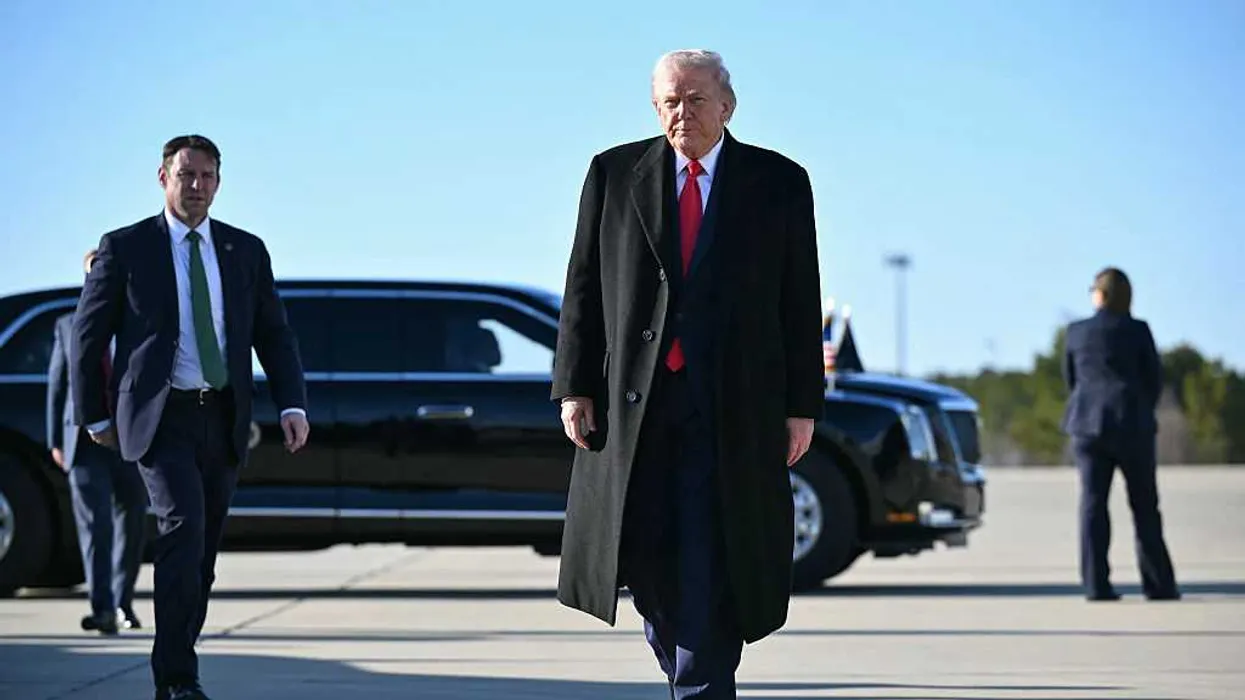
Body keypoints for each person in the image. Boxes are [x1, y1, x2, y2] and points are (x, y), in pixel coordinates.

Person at [552, 49, 824, 699]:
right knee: (649, 560)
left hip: (732, 408)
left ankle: (702, 687)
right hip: (636, 410)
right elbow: (583, 286)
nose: (683, 113)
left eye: (696, 99)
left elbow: (799, 299)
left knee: (710, 556)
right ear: (655, 108)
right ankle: (688, 671)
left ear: (727, 106)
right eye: (670, 101)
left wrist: (801, 405)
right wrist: (574, 386)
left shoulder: (778, 181)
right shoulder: (613, 174)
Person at [71, 134, 310, 700]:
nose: (196, 186)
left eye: (206, 176)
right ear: (164, 179)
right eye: (186, 175)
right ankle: (178, 678)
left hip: (223, 417)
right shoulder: (126, 248)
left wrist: (292, 402)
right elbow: (87, 337)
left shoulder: (245, 250)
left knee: (201, 555)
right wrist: (93, 416)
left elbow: (273, 333)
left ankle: (178, 661)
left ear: (219, 183)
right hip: (161, 418)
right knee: (183, 530)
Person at [1061, 267, 1180, 602]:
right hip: (1132, 423)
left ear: (1099, 295)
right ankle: (1158, 584)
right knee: (1144, 506)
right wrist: (1139, 408)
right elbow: (1153, 378)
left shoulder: (1076, 331)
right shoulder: (1138, 330)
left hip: (1088, 424)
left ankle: (1096, 584)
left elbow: (1071, 379)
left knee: (1092, 504)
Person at [47, 248, 148, 636]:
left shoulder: (136, 320)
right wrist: (56, 440)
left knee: (132, 522)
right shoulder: (67, 324)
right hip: (83, 441)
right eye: (93, 272)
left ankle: (123, 603)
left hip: (128, 439)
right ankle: (102, 608)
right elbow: (57, 386)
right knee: (97, 526)